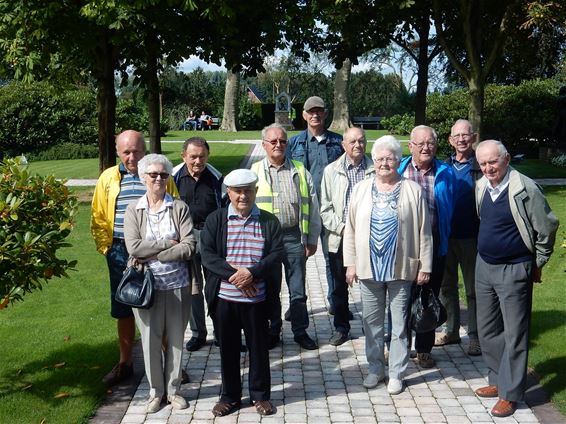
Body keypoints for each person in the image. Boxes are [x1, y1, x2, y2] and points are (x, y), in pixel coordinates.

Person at [473, 140, 558, 418]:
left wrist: (539, 262)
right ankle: (498, 380)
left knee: (514, 333)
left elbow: (547, 227)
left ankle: (511, 394)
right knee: (487, 330)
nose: (487, 168)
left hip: (514, 268)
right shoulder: (481, 185)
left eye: (492, 162)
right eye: (483, 163)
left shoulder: (525, 188)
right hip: (484, 265)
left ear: (506, 159)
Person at [344, 135, 433, 395]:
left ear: (398, 160)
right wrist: (350, 264)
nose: (385, 163)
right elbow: (349, 229)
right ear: (374, 161)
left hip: (401, 268)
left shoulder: (412, 190)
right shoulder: (361, 188)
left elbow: (424, 231)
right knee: (371, 324)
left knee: (399, 325)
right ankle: (375, 369)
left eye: (390, 158)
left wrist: (424, 266)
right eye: (380, 158)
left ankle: (396, 372)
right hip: (368, 268)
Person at [91, 130, 178, 386]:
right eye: (126, 152)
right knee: (124, 308)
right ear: (118, 152)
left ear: (145, 150)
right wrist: (106, 249)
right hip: (119, 251)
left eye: (136, 151)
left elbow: (175, 206)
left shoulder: (159, 174)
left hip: (156, 251)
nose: (131, 157)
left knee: (158, 308)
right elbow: (97, 216)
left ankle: (171, 367)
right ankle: (125, 363)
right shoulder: (108, 177)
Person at [200, 169, 284, 417]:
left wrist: (252, 273)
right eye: (237, 191)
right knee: (228, 348)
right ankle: (230, 396)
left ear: (256, 192)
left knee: (259, 348)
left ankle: (260, 396)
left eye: (248, 190)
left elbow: (276, 254)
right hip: (225, 298)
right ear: (229, 193)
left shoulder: (269, 221)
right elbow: (208, 255)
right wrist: (235, 276)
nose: (243, 196)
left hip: (257, 299)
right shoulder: (216, 220)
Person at [124, 154, 196, 413]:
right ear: (143, 177)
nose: (158, 178)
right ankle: (156, 393)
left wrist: (153, 253)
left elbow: (189, 247)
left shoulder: (179, 208)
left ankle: (174, 391)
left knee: (176, 340)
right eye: (153, 174)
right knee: (150, 342)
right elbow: (133, 247)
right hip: (146, 287)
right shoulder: (134, 210)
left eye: (163, 175)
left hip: (178, 284)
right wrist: (168, 245)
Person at [251, 123, 322, 350]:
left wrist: (311, 240)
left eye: (282, 141)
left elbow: (313, 208)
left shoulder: (300, 171)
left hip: (293, 237)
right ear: (264, 145)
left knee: (298, 289)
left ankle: (300, 332)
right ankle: (273, 331)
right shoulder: (254, 172)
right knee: (270, 288)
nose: (278, 145)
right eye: (273, 141)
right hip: (266, 240)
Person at [398, 125, 455, 369]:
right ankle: (399, 348)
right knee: (401, 297)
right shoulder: (399, 169)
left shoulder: (446, 172)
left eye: (430, 142)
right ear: (410, 146)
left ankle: (423, 349)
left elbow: (449, 209)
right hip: (402, 246)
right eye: (420, 143)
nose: (425, 147)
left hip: (434, 243)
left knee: (428, 296)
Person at [287, 96, 344, 317]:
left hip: (330, 209)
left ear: (325, 113)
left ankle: (337, 304)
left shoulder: (338, 143)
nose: (315, 115)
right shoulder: (294, 143)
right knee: (297, 259)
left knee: (333, 259)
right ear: (304, 115)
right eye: (311, 111)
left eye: (319, 111)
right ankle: (296, 305)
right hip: (304, 210)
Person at [320, 127, 375, 346]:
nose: (357, 145)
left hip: (371, 237)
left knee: (371, 285)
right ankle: (342, 328)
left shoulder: (375, 169)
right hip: (339, 236)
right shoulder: (331, 171)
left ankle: (372, 329)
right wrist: (344, 229)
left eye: (361, 141)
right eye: (352, 142)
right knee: (339, 286)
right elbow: (324, 208)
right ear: (343, 145)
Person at [172, 137, 224, 352]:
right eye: (193, 157)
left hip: (210, 238)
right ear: (183, 156)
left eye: (202, 156)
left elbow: (224, 210)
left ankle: (221, 333)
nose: (197, 161)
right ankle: (198, 333)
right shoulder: (173, 177)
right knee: (193, 289)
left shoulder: (216, 178)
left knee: (216, 288)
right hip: (185, 238)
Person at [436, 119, 483, 355]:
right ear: (450, 140)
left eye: (466, 135)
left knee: (474, 289)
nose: (462, 139)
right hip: (446, 237)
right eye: (457, 136)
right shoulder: (443, 167)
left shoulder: (481, 166)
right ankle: (452, 330)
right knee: (447, 286)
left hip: (472, 237)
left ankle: (475, 336)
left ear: (473, 137)